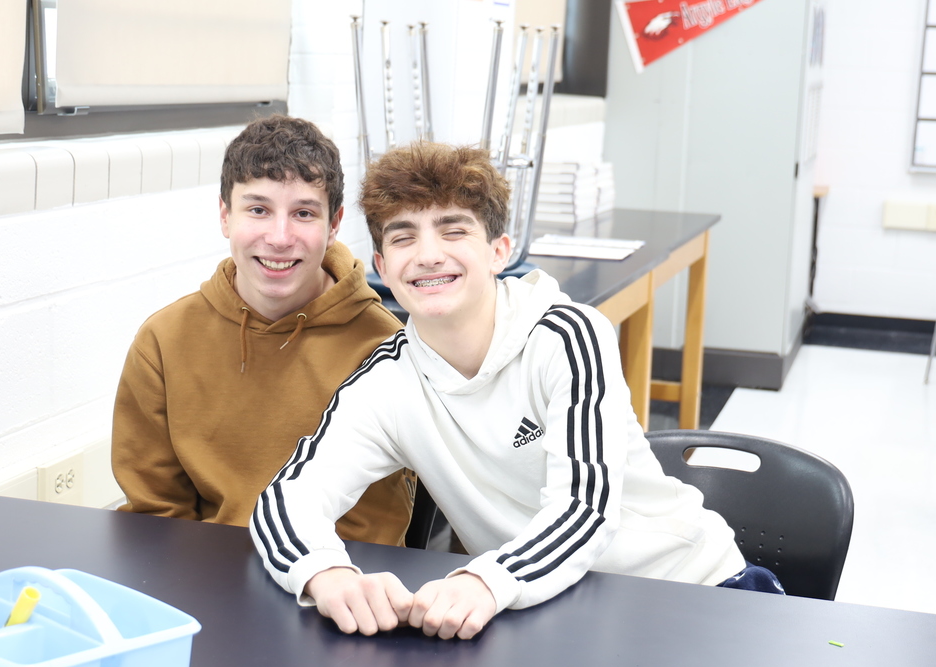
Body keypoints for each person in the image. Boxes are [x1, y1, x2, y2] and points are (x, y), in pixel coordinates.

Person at [250, 142, 782, 641]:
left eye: (453, 230)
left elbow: (583, 510)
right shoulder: (386, 381)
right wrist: (324, 572)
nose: (429, 255)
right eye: (404, 236)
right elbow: (286, 498)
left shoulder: (569, 337)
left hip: (694, 594)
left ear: (499, 251)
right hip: (551, 610)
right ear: (383, 268)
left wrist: (483, 581)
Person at [112, 115, 413, 546]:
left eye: (304, 213)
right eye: (258, 210)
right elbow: (155, 516)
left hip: (345, 588)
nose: (279, 237)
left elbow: (377, 526)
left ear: (334, 225)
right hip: (207, 578)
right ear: (225, 217)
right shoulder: (163, 342)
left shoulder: (385, 349)